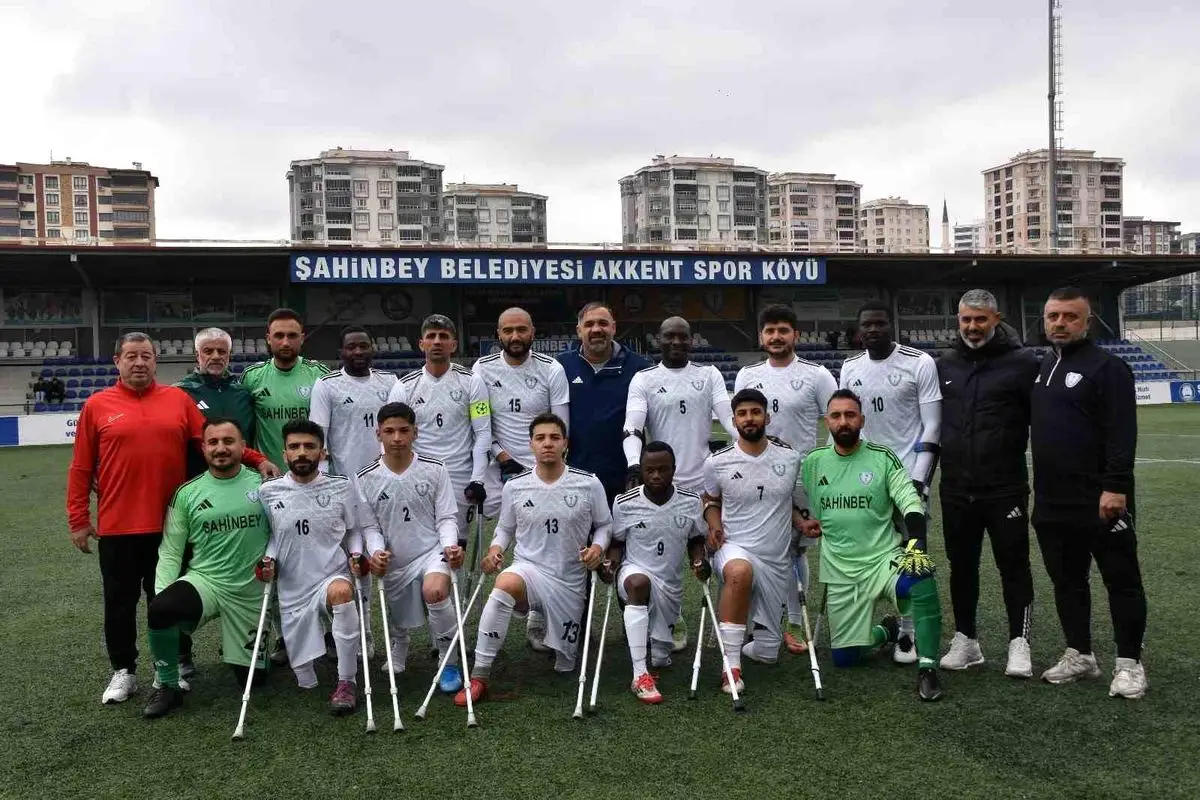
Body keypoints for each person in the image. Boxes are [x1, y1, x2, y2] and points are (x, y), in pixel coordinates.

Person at [66, 333, 274, 706]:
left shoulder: (177, 400)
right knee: (119, 602)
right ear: (117, 361)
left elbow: (213, 440)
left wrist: (256, 460)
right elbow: (82, 467)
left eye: (146, 356)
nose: (139, 363)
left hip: (171, 523)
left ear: (156, 360)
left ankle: (175, 664)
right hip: (118, 525)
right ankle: (124, 671)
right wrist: (78, 518)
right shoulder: (97, 406)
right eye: (131, 356)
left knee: (166, 598)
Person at [1030, 287, 1146, 699]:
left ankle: (1130, 664)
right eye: (1052, 316)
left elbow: (1121, 433)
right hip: (1051, 502)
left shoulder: (1108, 368)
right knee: (1068, 582)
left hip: (1100, 501)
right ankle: (1080, 654)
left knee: (1122, 582)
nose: (1059, 323)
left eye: (1069, 316)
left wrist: (1115, 487)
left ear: (1087, 321)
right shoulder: (1044, 365)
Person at [454, 412, 611, 707]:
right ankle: (479, 676)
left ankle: (547, 628)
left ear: (566, 443)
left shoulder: (588, 483)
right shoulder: (515, 486)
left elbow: (604, 525)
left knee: (565, 665)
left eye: (554, 437)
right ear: (531, 444)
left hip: (569, 579)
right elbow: (504, 528)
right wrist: (494, 550)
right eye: (540, 438)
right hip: (530, 569)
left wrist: (598, 549)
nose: (547, 444)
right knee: (505, 583)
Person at [798, 389, 945, 701]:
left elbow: (911, 504)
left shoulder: (882, 458)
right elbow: (789, 497)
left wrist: (916, 544)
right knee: (846, 659)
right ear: (827, 422)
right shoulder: (813, 463)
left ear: (862, 419)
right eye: (836, 416)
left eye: (850, 415)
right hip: (841, 571)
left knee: (921, 577)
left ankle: (928, 668)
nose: (843, 422)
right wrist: (800, 519)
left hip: (882, 559)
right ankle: (887, 631)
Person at [936, 290, 1039, 677]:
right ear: (957, 320)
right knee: (961, 566)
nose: (973, 327)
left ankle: (1020, 643)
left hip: (1005, 486)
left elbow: (1039, 424)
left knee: (1013, 565)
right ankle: (967, 640)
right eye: (966, 320)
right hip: (956, 487)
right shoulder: (945, 364)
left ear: (996, 318)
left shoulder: (1023, 363)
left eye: (981, 319)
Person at [141, 418, 274, 719]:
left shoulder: (266, 486)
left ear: (243, 446)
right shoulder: (186, 493)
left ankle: (238, 649)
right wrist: (163, 598)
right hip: (207, 582)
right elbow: (171, 552)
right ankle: (168, 685)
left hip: (251, 592)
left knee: (254, 680)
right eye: (213, 442)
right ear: (203, 448)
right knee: (162, 610)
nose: (221, 448)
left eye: (228, 441)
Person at [622, 315, 734, 652]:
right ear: (658, 339)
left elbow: (728, 416)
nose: (675, 342)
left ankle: (724, 621)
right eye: (668, 336)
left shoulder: (708, 375)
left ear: (692, 340)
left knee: (715, 550)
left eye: (682, 337)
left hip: (704, 482)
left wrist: (746, 444)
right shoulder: (644, 379)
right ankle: (672, 616)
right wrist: (633, 463)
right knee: (664, 558)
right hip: (661, 483)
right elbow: (633, 426)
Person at [838, 300, 942, 664]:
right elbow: (847, 424)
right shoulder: (850, 367)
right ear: (858, 329)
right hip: (866, 479)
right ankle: (870, 625)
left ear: (891, 325)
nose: (873, 330)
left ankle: (909, 636)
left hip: (907, 478)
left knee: (910, 556)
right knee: (863, 553)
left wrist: (918, 481)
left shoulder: (919, 362)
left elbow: (932, 425)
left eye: (880, 323)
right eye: (867, 325)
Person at [735, 304, 837, 655]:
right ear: (761, 337)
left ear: (795, 334)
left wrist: (822, 468)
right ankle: (756, 623)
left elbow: (836, 422)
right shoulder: (747, 375)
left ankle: (794, 622)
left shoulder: (817, 375)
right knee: (756, 548)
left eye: (783, 330)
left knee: (794, 552)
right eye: (769, 331)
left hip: (800, 478)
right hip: (755, 476)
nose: (776, 337)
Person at [257, 419, 378, 714]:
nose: (302, 453)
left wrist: (356, 554)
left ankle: (347, 681)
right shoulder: (268, 492)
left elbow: (353, 530)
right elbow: (273, 535)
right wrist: (268, 560)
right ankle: (309, 663)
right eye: (294, 447)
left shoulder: (341, 487)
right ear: (284, 454)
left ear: (322, 453)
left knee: (341, 593)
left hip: (331, 574)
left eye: (309, 446)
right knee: (305, 680)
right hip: (293, 586)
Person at [473, 307, 570, 653]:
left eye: (521, 330)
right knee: (504, 535)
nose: (515, 337)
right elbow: (480, 423)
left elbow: (560, 425)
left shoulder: (551, 369)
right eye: (508, 331)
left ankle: (538, 613)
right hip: (499, 469)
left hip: (542, 468)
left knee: (546, 539)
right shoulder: (481, 370)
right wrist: (503, 457)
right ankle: (501, 603)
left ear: (533, 331)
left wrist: (541, 465)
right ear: (498, 334)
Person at [356, 402, 466, 694]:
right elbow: (370, 527)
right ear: (378, 433)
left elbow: (446, 517)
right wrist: (377, 551)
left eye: (404, 430)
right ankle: (399, 644)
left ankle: (449, 660)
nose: (397, 438)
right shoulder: (365, 477)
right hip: (394, 558)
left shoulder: (435, 469)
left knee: (435, 592)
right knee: (397, 611)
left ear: (415, 432)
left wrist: (449, 547)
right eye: (389, 431)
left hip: (430, 552)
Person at [701, 389, 804, 695]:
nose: (749, 418)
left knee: (767, 653)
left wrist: (802, 522)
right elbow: (710, 500)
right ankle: (730, 665)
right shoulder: (716, 461)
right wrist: (714, 525)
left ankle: (744, 635)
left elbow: (791, 504)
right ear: (734, 420)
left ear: (767, 417)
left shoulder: (790, 457)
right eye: (742, 414)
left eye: (755, 412)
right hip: (734, 548)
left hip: (775, 558)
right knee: (739, 572)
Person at [607, 441, 707, 704]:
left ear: (674, 469)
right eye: (650, 470)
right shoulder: (624, 502)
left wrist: (699, 560)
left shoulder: (691, 501)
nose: (656, 476)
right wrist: (611, 564)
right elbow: (617, 543)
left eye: (663, 469)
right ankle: (640, 675)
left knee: (662, 657)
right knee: (639, 583)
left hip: (670, 585)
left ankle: (657, 649)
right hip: (635, 572)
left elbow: (696, 539)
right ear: (641, 471)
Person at [387, 314, 490, 557]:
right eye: (431, 336)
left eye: (443, 337)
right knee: (419, 545)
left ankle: (454, 596)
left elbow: (483, 432)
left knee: (454, 549)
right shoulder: (404, 386)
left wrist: (477, 479)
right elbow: (391, 438)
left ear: (453, 345)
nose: (437, 341)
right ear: (421, 343)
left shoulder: (473, 382)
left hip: (458, 477)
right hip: (418, 476)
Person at [557, 301, 650, 504]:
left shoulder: (640, 368)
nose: (596, 329)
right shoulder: (561, 366)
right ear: (579, 330)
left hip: (628, 474)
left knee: (625, 535)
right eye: (589, 324)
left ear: (614, 328)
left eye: (603, 323)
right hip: (577, 473)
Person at [240, 308, 331, 469]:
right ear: (268, 339)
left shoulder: (320, 374)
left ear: (302, 338)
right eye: (279, 336)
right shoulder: (252, 376)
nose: (285, 342)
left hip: (309, 474)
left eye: (292, 336)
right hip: (268, 474)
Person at [308, 325, 398, 476]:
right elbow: (318, 435)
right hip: (345, 477)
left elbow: (399, 429)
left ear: (372, 349)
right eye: (351, 347)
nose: (358, 352)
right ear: (341, 352)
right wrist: (322, 477)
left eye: (364, 346)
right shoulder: (326, 384)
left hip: (386, 476)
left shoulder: (390, 381)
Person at [176, 327, 257, 479]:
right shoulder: (180, 392)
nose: (216, 356)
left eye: (222, 351)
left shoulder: (243, 393)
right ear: (197, 355)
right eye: (208, 351)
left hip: (243, 481)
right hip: (197, 482)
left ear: (229, 355)